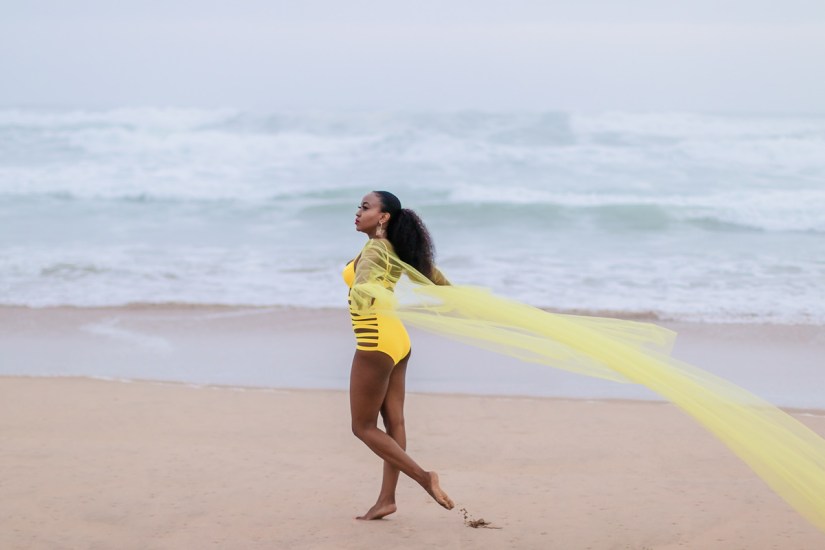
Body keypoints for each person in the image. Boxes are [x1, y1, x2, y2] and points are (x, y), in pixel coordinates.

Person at [344, 190, 454, 520]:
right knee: (394, 422)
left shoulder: (378, 248)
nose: (357, 212)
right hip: (398, 340)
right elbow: (437, 280)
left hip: (375, 340)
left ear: (383, 217)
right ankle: (386, 500)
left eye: (365, 207)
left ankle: (423, 477)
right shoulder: (396, 248)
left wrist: (360, 295)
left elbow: (363, 285)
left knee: (362, 426)